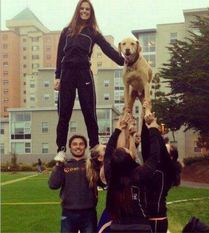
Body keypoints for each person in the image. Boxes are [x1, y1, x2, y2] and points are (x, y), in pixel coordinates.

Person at [54, 0, 125, 161]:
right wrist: (57, 76)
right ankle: (61, 150)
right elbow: (60, 55)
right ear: (78, 11)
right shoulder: (67, 31)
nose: (85, 11)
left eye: (88, 9)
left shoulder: (93, 32)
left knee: (89, 111)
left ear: (91, 13)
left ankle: (94, 145)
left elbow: (108, 49)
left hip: (84, 73)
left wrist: (124, 61)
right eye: (82, 8)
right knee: (64, 113)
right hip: (67, 73)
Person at [100, 114, 161, 233]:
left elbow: (108, 152)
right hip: (141, 227)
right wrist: (153, 128)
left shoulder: (111, 175)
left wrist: (118, 129)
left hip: (118, 228)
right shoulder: (140, 174)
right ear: (129, 160)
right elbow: (154, 155)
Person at [48, 134, 99, 233]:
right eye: (74, 144)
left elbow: (102, 181)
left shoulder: (91, 164)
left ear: (85, 146)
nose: (78, 147)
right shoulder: (64, 165)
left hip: (89, 213)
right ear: (70, 147)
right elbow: (53, 185)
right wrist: (58, 165)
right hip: (68, 212)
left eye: (81, 144)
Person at [141, 113, 182, 233]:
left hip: (157, 220)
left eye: (166, 149)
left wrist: (154, 126)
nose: (162, 149)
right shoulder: (152, 166)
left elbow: (160, 149)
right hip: (144, 218)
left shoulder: (169, 170)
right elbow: (145, 147)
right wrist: (145, 123)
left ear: (171, 157)